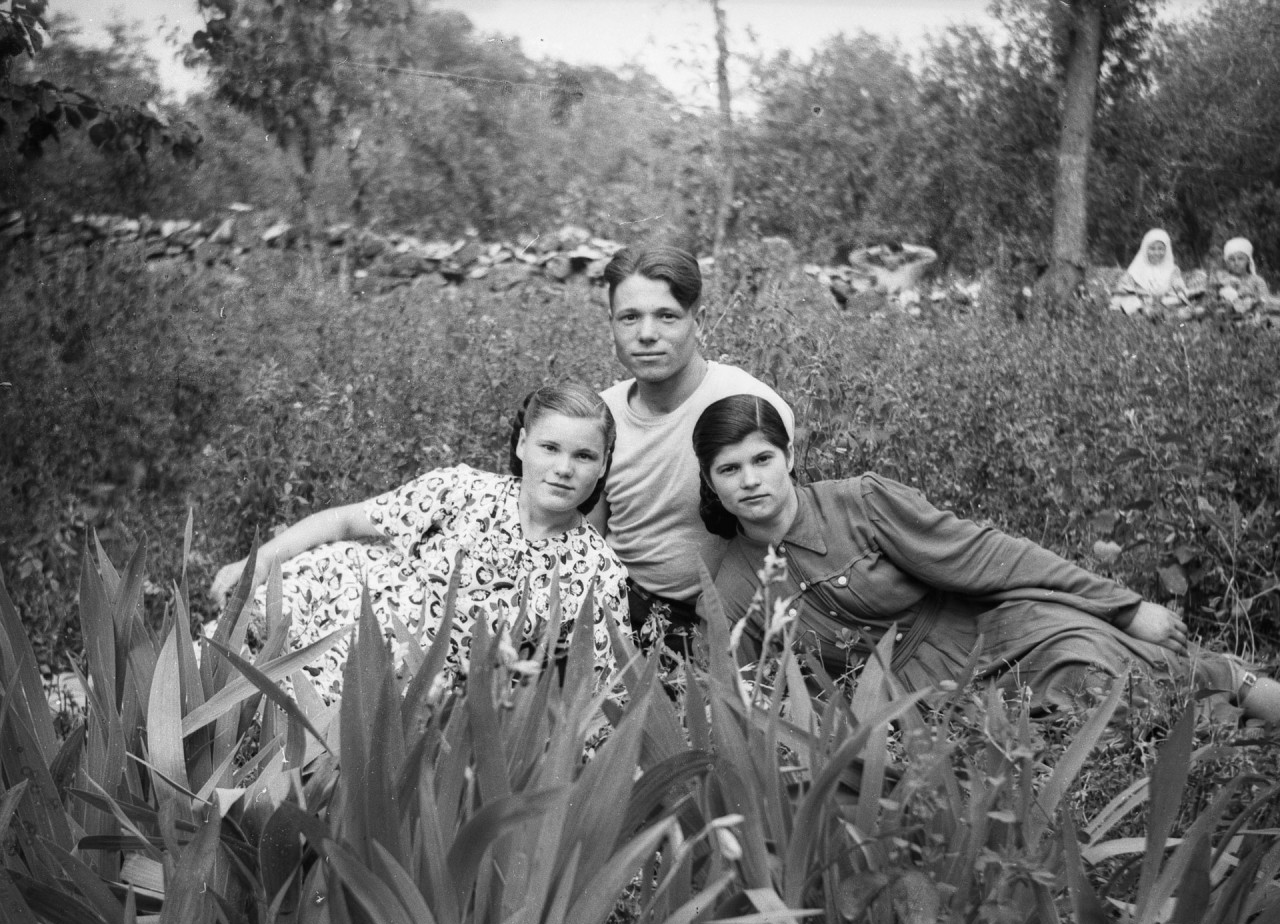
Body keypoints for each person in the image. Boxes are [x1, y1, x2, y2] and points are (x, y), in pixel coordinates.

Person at [691, 394, 1280, 723]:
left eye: (762, 459)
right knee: (1061, 738)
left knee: (1100, 669)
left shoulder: (859, 503)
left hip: (989, 633)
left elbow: (989, 555)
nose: (750, 480)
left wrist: (1124, 608)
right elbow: (745, 694)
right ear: (710, 483)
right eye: (729, 469)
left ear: (789, 457)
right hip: (908, 709)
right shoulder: (735, 585)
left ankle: (1234, 680)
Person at [209, 382, 629, 701]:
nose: (562, 468)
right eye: (550, 447)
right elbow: (345, 522)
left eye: (584, 456)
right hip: (342, 609)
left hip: (431, 692)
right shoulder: (463, 490)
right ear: (522, 445)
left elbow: (596, 692)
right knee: (225, 673)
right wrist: (262, 561)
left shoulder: (599, 573)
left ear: (605, 462)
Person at [594, 244, 796, 650]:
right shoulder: (600, 418)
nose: (647, 334)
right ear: (611, 324)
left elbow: (787, 529)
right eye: (630, 317)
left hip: (737, 615)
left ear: (698, 321)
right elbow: (588, 544)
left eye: (667, 316)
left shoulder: (747, 404)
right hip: (624, 609)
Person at [1110, 229, 1190, 316]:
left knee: (1176, 300)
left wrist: (1180, 292)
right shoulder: (1136, 268)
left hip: (1164, 299)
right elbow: (1123, 286)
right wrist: (1136, 292)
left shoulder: (1172, 269)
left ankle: (1160, 312)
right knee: (1126, 300)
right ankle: (1145, 311)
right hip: (1141, 298)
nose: (1156, 253)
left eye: (1161, 249)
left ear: (1166, 250)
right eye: (1152, 249)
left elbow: (1178, 284)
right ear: (1145, 249)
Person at [1212, 236, 1271, 308]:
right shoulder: (1220, 280)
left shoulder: (1258, 281)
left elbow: (1265, 304)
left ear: (1248, 260)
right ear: (1226, 262)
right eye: (1231, 259)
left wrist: (1250, 304)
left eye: (1240, 259)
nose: (1236, 263)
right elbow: (1212, 302)